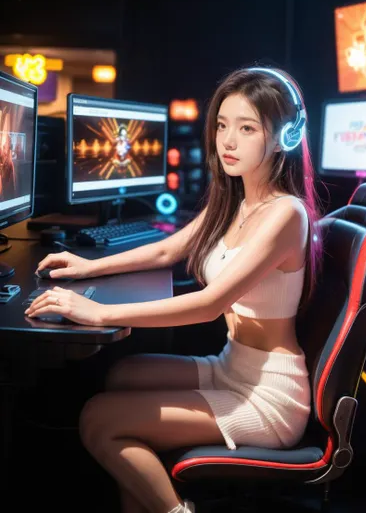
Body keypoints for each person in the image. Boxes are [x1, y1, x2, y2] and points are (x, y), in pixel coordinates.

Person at [25, 67, 322, 513]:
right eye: (222, 125)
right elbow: (167, 251)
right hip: (231, 366)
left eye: (246, 128)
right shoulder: (239, 200)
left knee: (98, 421)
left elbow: (209, 304)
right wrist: (89, 265)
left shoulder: (286, 214)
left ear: (286, 136)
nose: (228, 141)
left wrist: (99, 314)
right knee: (122, 375)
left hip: (268, 395)